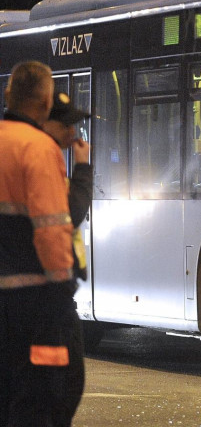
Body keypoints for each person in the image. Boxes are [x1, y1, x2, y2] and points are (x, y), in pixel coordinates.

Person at [0, 61, 84, 427]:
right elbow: (52, 228)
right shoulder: (38, 149)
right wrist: (62, 285)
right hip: (32, 305)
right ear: (46, 102)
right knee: (44, 398)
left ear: (8, 94)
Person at [43, 91, 92, 281]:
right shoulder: (42, 158)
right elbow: (72, 212)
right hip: (51, 279)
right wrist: (82, 166)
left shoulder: (51, 157)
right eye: (65, 125)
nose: (72, 131)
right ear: (44, 124)